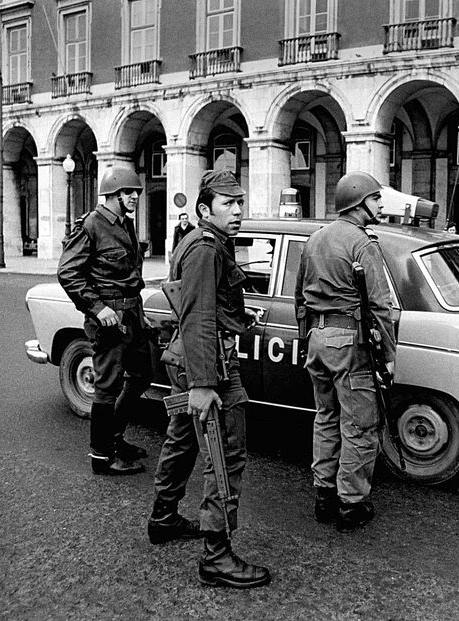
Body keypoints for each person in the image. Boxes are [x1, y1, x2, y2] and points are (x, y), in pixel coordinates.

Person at [149, 169, 270, 589]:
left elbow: (204, 304)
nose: (238, 211)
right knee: (224, 455)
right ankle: (216, 556)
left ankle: (163, 518)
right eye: (228, 204)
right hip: (208, 366)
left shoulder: (203, 241)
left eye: (240, 202)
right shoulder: (205, 247)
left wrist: (236, 318)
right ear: (205, 209)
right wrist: (204, 384)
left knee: (182, 442)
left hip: (188, 356)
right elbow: (198, 314)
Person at [294, 171, 396, 532]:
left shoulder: (315, 238)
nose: (380, 205)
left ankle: (323, 495)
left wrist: (307, 335)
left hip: (317, 341)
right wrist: (388, 354)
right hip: (348, 341)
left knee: (325, 417)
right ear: (358, 203)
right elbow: (380, 306)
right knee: (359, 426)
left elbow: (299, 295)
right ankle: (351, 504)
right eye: (375, 199)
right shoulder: (362, 243)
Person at [57, 165, 151, 476]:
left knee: (142, 375)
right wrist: (97, 308)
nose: (134, 197)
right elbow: (68, 273)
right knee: (107, 386)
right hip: (108, 317)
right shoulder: (91, 225)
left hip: (131, 312)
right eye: (127, 193)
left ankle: (114, 438)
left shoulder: (126, 224)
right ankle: (102, 457)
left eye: (135, 192)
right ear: (111, 195)